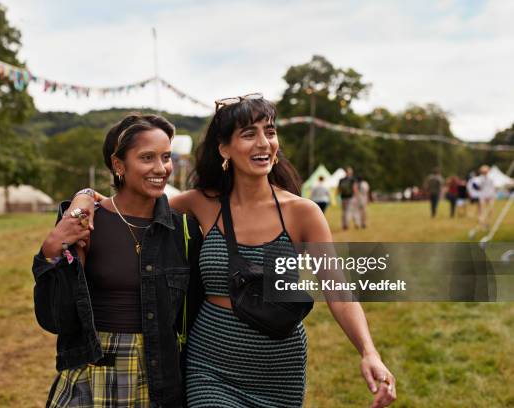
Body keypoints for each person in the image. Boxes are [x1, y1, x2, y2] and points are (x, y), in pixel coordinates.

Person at [71, 95, 396, 407]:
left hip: (279, 369)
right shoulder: (201, 202)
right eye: (249, 134)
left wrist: (369, 351)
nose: (263, 143)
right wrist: (85, 195)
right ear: (224, 148)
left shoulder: (303, 213)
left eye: (269, 132)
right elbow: (131, 203)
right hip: (210, 366)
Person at [32, 114, 204, 408]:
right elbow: (55, 319)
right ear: (118, 165)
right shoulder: (84, 222)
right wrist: (50, 253)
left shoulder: (185, 229)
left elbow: (199, 316)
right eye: (147, 157)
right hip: (92, 373)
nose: (161, 168)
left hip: (161, 380)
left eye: (166, 157)